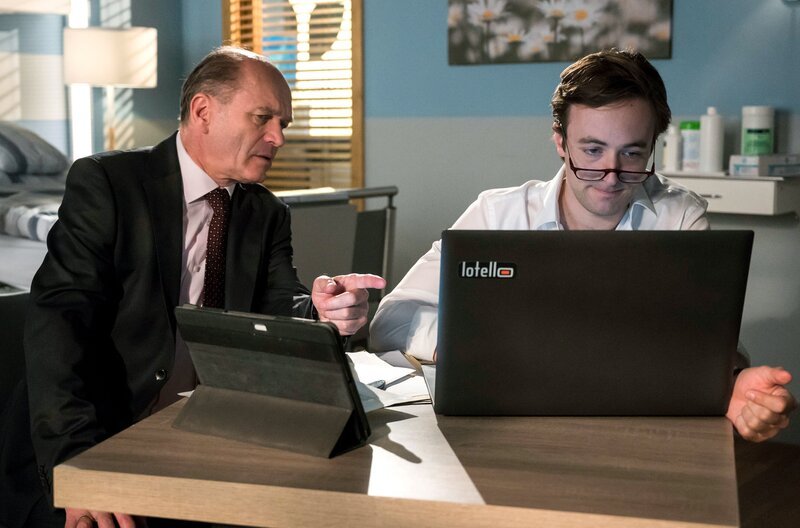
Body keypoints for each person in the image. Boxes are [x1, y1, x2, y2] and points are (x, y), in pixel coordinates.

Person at [0, 46, 385, 527]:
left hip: (204, 434)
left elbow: (279, 302)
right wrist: (77, 465)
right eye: (263, 118)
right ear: (203, 111)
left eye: (282, 124)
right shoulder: (109, 184)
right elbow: (58, 330)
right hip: (100, 433)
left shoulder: (266, 211)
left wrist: (322, 310)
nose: (278, 138)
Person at [370, 48, 796, 443]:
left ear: (653, 144)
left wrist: (733, 381)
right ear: (560, 141)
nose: (611, 175)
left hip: (639, 429)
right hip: (506, 427)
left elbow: (704, 339)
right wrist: (458, 345)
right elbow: (391, 321)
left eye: (632, 154)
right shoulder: (498, 214)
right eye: (592, 150)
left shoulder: (680, 216)